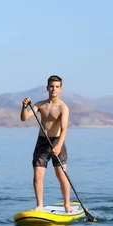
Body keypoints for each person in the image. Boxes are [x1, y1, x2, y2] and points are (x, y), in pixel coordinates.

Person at [21, 75, 72, 213]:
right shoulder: (40, 105)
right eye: (51, 86)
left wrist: (59, 146)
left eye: (57, 87)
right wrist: (24, 107)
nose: (54, 89)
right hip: (42, 142)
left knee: (61, 175)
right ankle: (39, 205)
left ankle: (67, 205)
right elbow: (24, 118)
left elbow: (64, 129)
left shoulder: (63, 108)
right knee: (37, 174)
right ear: (47, 88)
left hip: (57, 141)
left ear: (60, 89)